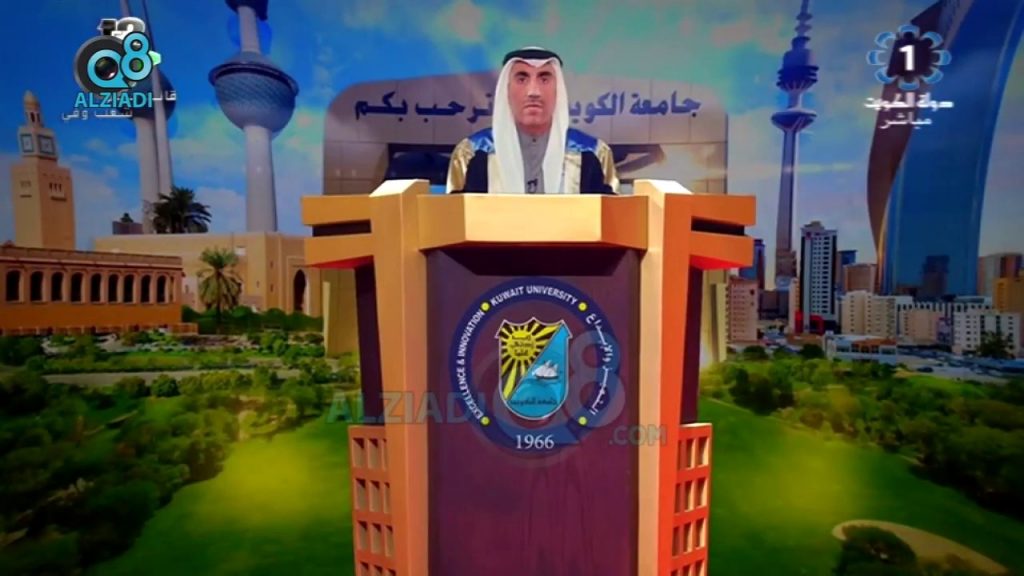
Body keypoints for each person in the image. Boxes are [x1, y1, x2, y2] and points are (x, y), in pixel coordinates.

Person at [445, 47, 619, 195]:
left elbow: (613, 219)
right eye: (522, 79)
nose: (533, 92)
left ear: (558, 90)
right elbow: (453, 219)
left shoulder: (593, 153)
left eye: (544, 79)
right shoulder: (472, 153)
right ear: (506, 90)